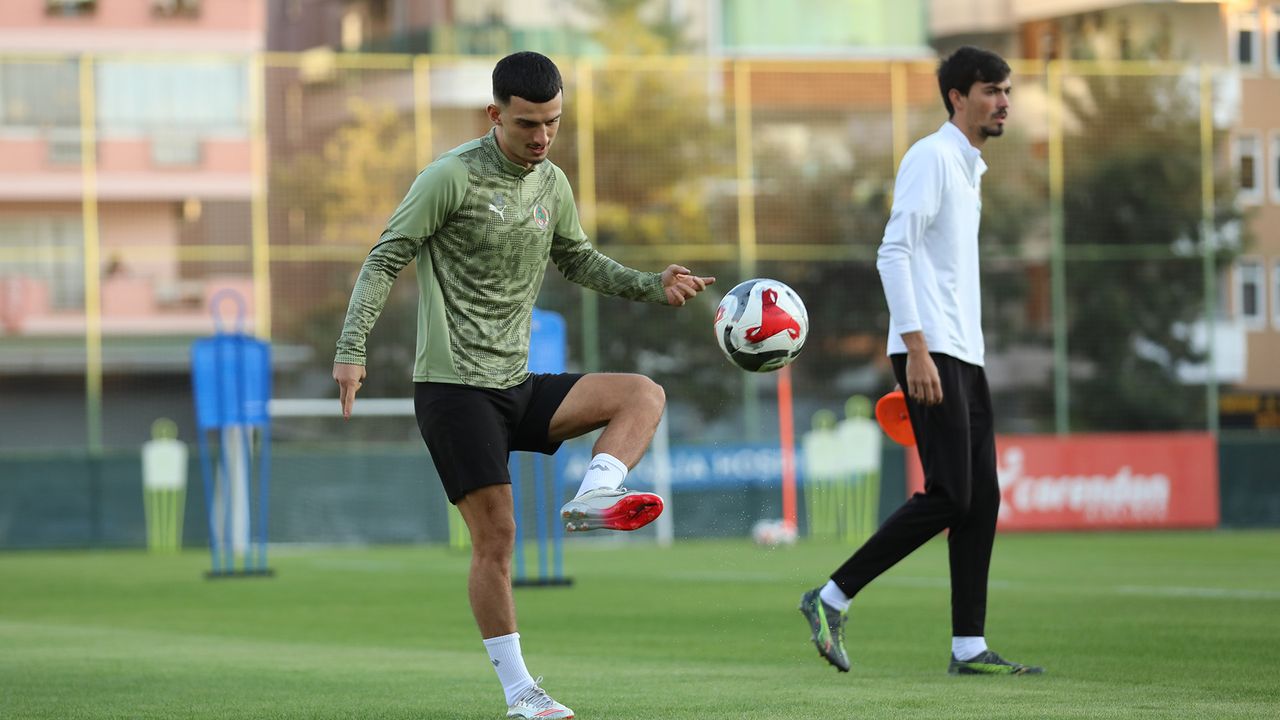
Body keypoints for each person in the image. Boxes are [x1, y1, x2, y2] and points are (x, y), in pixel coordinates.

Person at [332, 51, 715, 719]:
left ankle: (594, 497)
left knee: (642, 394)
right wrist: (350, 349)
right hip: (454, 390)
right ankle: (521, 693)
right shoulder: (449, 177)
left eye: (553, 123)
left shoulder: (552, 183)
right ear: (495, 115)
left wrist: (653, 286)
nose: (542, 137)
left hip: (517, 384)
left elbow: (578, 260)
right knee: (499, 538)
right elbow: (385, 257)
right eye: (528, 124)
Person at [798, 46, 1043, 677]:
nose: (1004, 101)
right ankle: (831, 597)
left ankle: (969, 647)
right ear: (958, 97)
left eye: (1007, 90)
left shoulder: (967, 167)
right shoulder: (931, 157)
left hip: (964, 353)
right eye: (991, 90)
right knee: (951, 494)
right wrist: (916, 348)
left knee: (981, 498)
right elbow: (893, 252)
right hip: (930, 350)